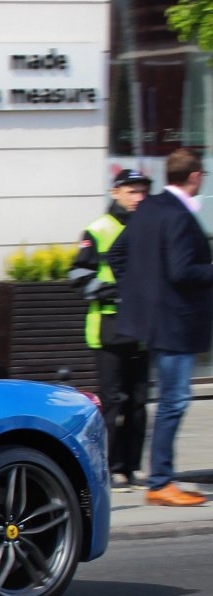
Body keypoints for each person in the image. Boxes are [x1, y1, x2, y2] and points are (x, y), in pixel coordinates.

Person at [107, 148, 213, 507]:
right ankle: (160, 481)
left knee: (167, 400)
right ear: (195, 176)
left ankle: (159, 478)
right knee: (174, 402)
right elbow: (183, 271)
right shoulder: (180, 216)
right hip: (176, 325)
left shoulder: (149, 207)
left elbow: (116, 255)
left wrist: (140, 293)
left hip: (154, 321)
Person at [68, 168, 152, 492]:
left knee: (139, 401)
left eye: (143, 191)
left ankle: (132, 466)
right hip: (108, 326)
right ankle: (108, 466)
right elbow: (78, 274)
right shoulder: (98, 229)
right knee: (113, 401)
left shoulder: (147, 228)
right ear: (115, 192)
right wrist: (110, 290)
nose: (138, 197)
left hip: (142, 327)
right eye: (132, 191)